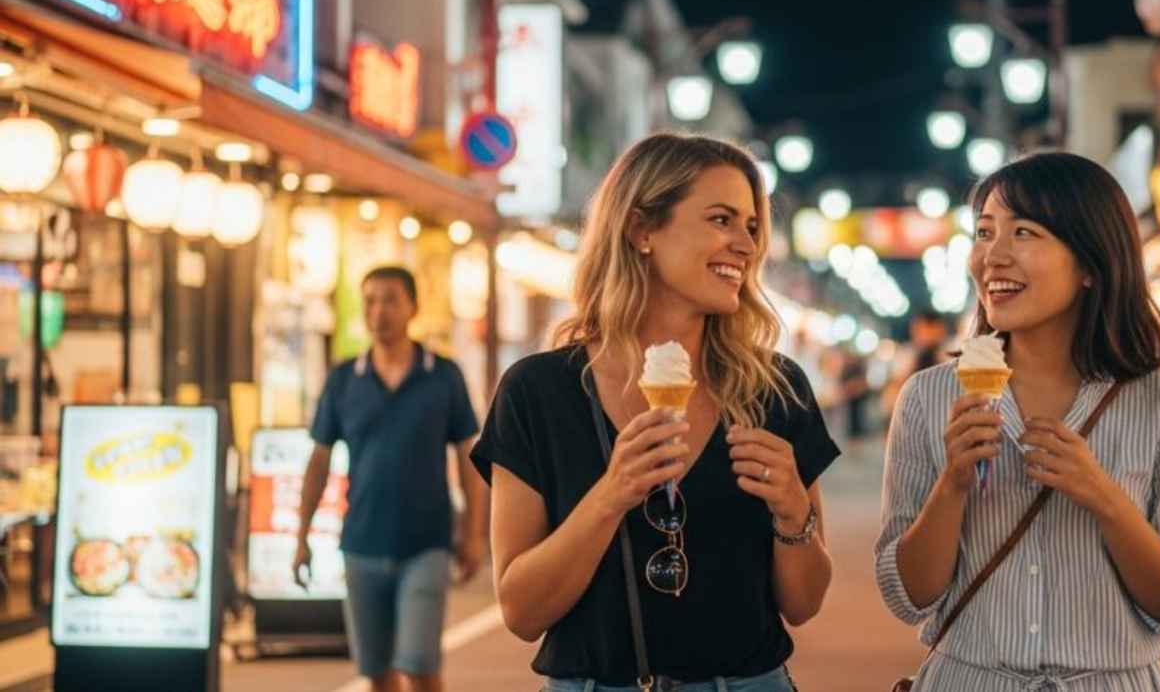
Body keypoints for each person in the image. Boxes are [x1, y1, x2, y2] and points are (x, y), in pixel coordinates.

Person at [471, 133, 840, 692]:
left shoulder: (774, 388)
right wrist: (612, 493)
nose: (745, 244)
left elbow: (805, 603)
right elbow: (521, 611)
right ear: (642, 230)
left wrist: (794, 515)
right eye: (721, 220)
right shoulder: (539, 392)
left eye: (751, 226)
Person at [876, 152, 1160, 691]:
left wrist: (1105, 499)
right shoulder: (928, 397)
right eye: (985, 232)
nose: (994, 255)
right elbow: (906, 595)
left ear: (1090, 263)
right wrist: (953, 485)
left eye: (1024, 233)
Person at [294, 266, 486, 692]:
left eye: (390, 300)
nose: (378, 311)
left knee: (419, 665)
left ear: (413, 307)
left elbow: (469, 458)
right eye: (370, 301)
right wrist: (301, 535)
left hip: (427, 544)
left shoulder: (443, 375)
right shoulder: (345, 379)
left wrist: (472, 532)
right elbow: (319, 462)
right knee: (377, 673)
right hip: (361, 543)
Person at [882, 310, 952, 421]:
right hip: (913, 417)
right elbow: (891, 396)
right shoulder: (905, 357)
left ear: (942, 330)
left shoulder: (952, 355)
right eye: (922, 331)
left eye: (931, 331)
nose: (927, 336)